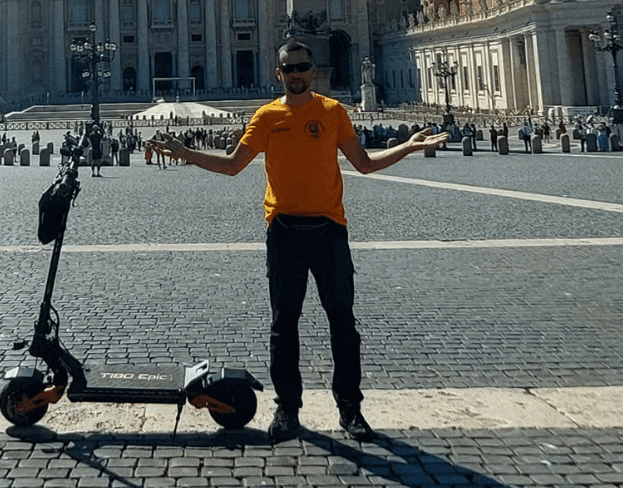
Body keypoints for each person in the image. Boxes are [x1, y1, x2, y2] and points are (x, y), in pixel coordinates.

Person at [154, 39, 447, 443]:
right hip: (285, 231)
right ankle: (287, 410)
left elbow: (363, 164)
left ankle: (351, 410)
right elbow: (233, 166)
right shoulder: (266, 116)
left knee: (343, 325)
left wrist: (407, 148)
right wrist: (186, 152)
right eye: (288, 68)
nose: (295, 73)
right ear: (279, 74)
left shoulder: (332, 112)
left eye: (302, 66)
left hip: (329, 230)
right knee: (283, 326)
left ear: (313, 70)